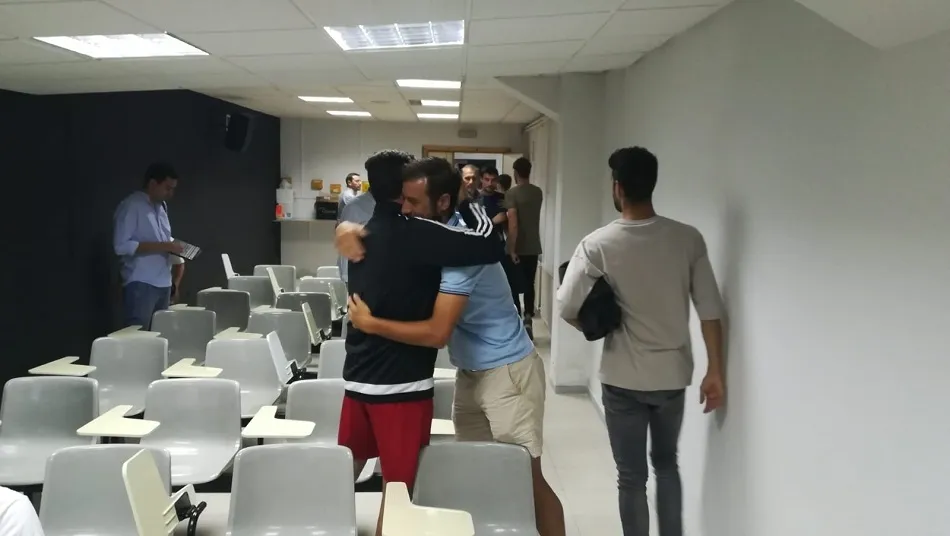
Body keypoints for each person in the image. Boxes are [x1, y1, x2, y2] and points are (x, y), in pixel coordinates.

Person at [343, 157, 566, 536]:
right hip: (471, 374)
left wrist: (370, 324)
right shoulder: (434, 239)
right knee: (477, 474)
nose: (405, 210)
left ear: (443, 202)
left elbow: (437, 333)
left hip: (508, 372)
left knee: (527, 478)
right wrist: (348, 228)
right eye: (403, 200)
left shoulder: (462, 250)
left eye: (414, 202)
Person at [556, 147, 726, 536]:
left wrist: (593, 327)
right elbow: (710, 309)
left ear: (617, 187)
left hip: (622, 379)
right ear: (652, 184)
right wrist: (715, 370)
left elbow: (566, 305)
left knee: (631, 477)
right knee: (667, 464)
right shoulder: (687, 239)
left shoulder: (598, 244)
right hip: (671, 377)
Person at [334, 152, 503, 536]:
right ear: (404, 190)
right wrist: (465, 198)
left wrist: (341, 226)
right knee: (399, 492)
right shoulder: (418, 234)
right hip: (401, 385)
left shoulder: (360, 232)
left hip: (357, 379)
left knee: (343, 474)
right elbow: (490, 244)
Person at [113, 162, 185, 329]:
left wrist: (174, 247)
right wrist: (164, 246)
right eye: (167, 188)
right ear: (153, 183)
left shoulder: (162, 207)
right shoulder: (132, 206)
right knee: (138, 336)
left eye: (173, 189)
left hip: (164, 282)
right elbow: (121, 245)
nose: (171, 193)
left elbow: (163, 239)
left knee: (161, 334)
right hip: (141, 281)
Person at [505, 157, 544, 335]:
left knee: (512, 285)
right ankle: (528, 317)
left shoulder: (512, 193)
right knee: (530, 284)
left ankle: (516, 321)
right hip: (533, 246)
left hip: (518, 247)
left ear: (515, 173)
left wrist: (512, 249)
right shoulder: (538, 192)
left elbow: (513, 224)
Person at [336, 177, 376, 284]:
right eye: (356, 181)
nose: (359, 183)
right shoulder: (353, 202)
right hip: (358, 275)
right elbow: (348, 241)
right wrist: (347, 277)